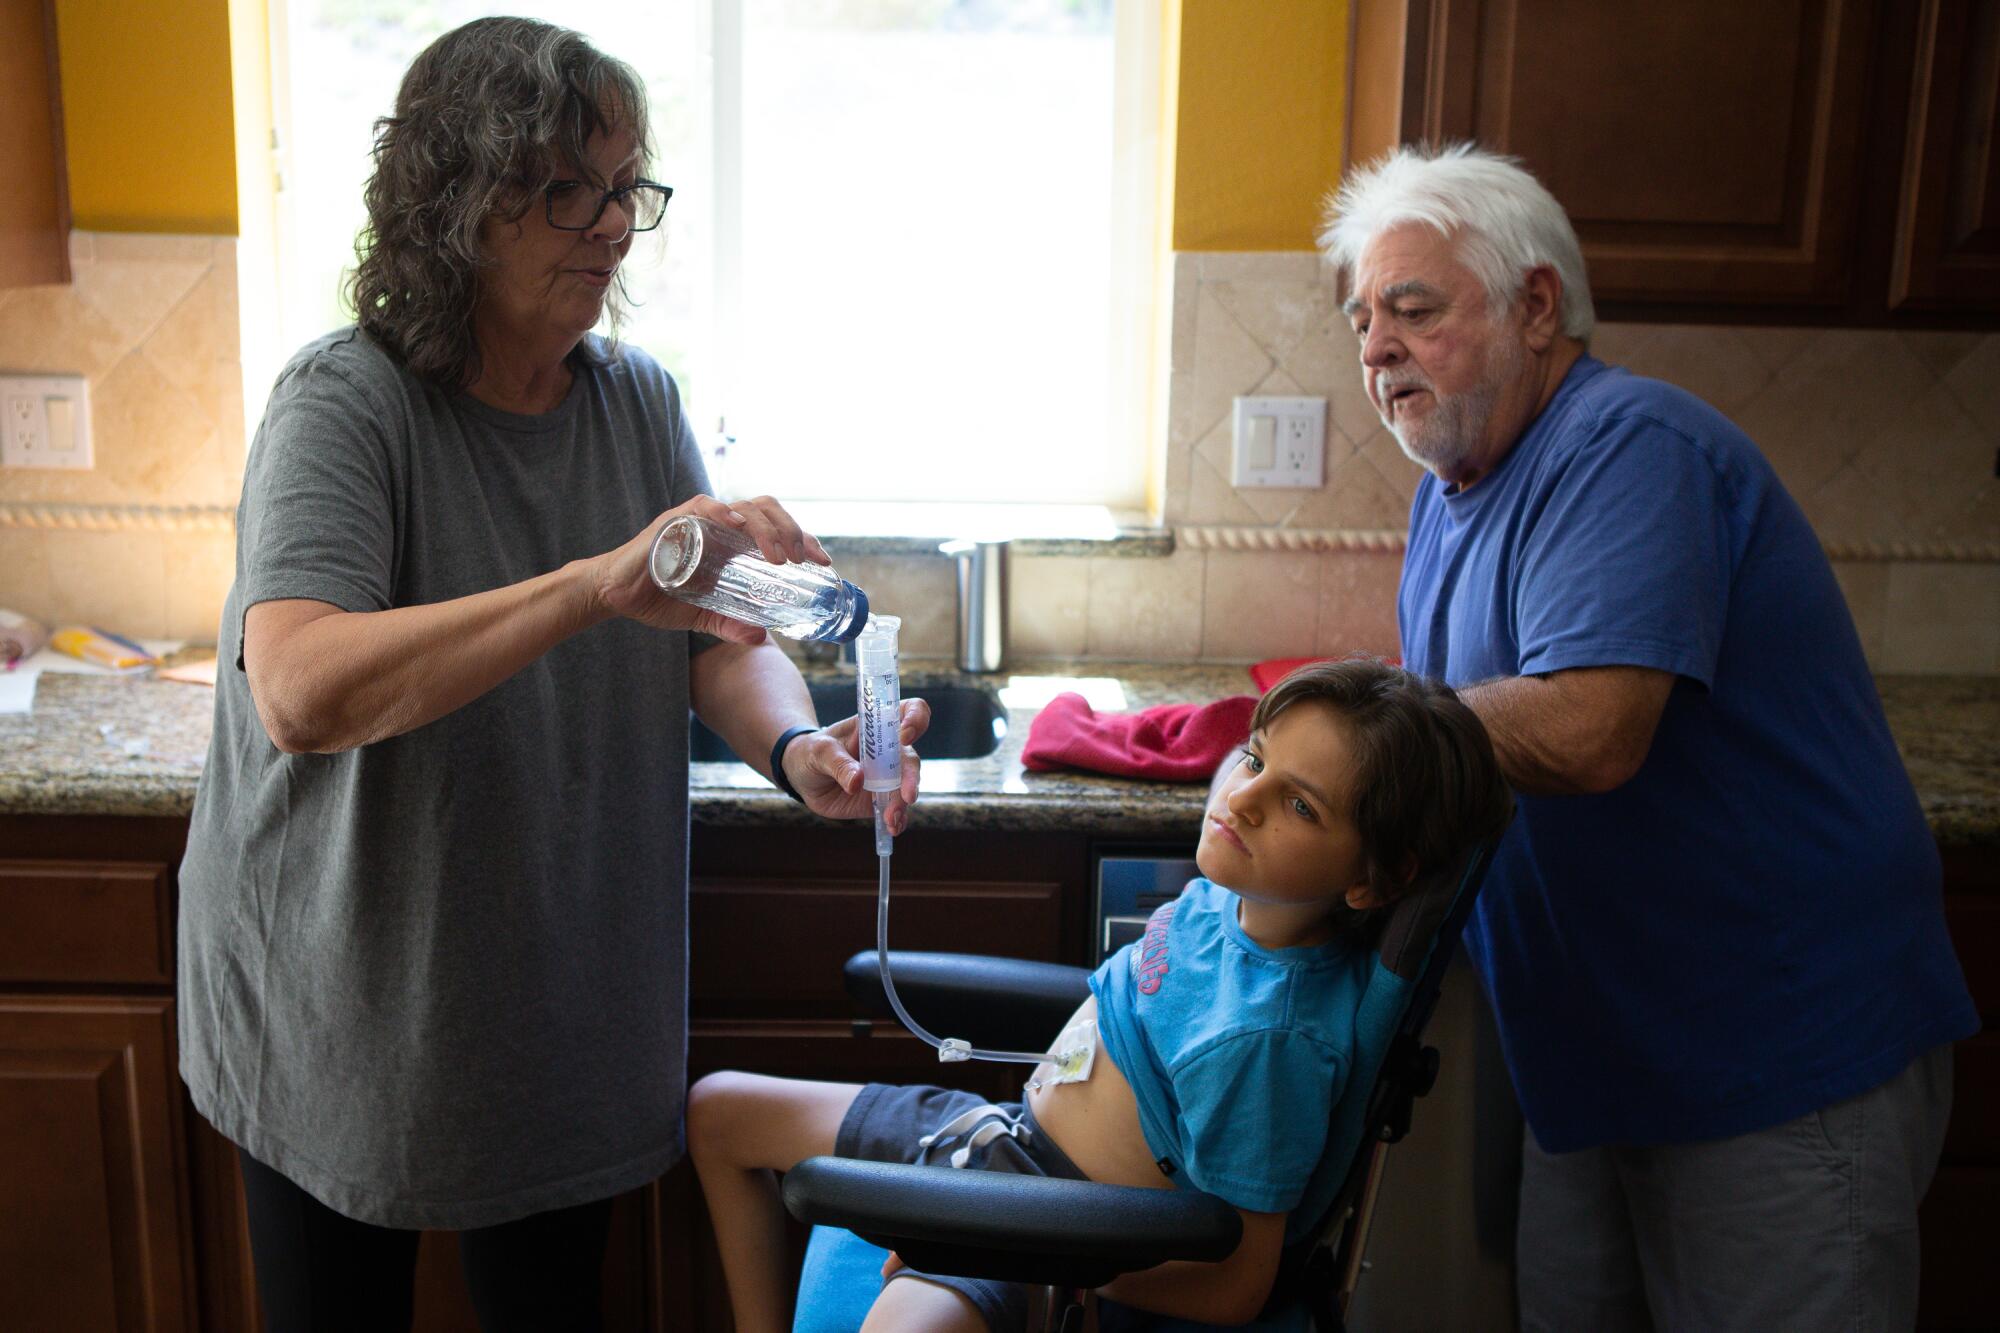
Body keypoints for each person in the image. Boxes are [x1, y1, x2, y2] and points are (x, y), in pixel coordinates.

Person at [174, 18, 926, 1329]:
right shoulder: (348, 406)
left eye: (623, 188)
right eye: (564, 191)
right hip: (345, 1002)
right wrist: (592, 584)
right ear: (456, 203)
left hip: (559, 1004)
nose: (610, 226)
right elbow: (298, 688)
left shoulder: (635, 401)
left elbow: (715, 641)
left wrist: (803, 753)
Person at [1320, 143, 1980, 1331]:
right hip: (1602, 1056)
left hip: (1768, 1054)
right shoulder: (1455, 486)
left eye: (1412, 310)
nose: (1373, 348)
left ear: (1535, 306)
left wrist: (1346, 737)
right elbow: (1464, 732)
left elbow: (1584, 730)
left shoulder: (1628, 448)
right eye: (1362, 318)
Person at [686, 658, 1514, 1332]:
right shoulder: (1230, 903)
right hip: (995, 1135)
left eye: (1300, 804)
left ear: (1371, 882)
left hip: (1046, 1221)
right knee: (719, 1111)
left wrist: (1019, 1256)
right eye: (1257, 760)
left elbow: (1239, 1288)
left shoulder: (1271, 1041)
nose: (1243, 799)